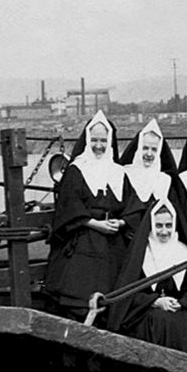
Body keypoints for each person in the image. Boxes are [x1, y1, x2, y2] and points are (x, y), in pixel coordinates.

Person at [43, 110, 145, 321]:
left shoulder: (118, 171)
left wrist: (122, 220)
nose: (99, 146)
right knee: (78, 297)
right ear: (88, 141)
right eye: (95, 140)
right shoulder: (76, 170)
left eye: (103, 141)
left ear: (110, 142)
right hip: (84, 234)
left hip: (113, 239)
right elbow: (69, 207)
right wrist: (96, 224)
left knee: (119, 292)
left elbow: (133, 204)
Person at [107, 199, 187, 357]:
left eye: (168, 225)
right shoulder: (140, 256)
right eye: (159, 225)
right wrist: (155, 302)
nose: (164, 231)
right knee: (159, 321)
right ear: (150, 225)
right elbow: (127, 296)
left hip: (181, 321)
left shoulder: (184, 254)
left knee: (186, 323)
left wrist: (182, 302)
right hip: (149, 320)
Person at [121, 119, 187, 225]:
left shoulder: (165, 180)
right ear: (138, 148)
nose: (149, 154)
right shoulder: (124, 174)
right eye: (145, 148)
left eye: (154, 149)